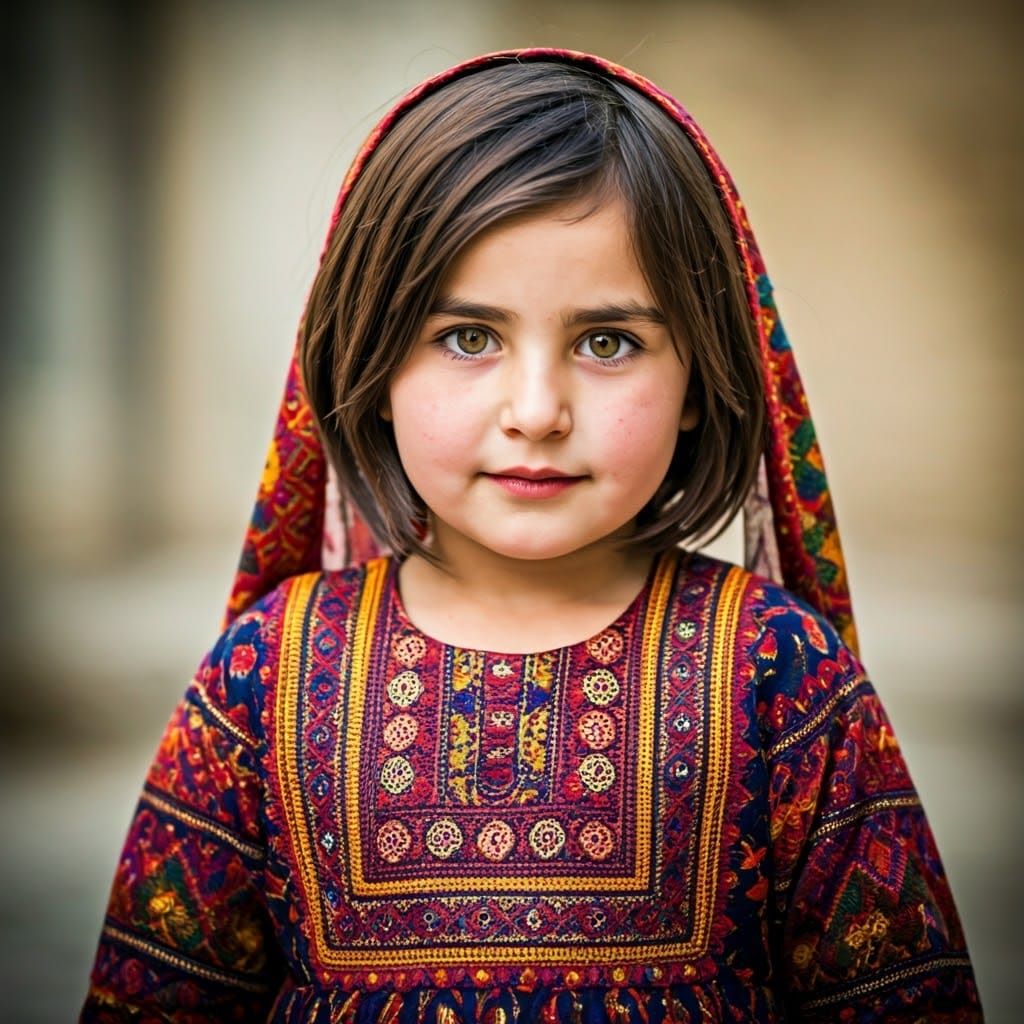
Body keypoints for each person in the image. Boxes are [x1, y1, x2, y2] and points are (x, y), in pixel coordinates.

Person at [79, 49, 983, 1023]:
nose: (538, 411)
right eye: (468, 337)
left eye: (608, 342)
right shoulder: (262, 678)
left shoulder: (780, 674)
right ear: (373, 364)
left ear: (698, 376)